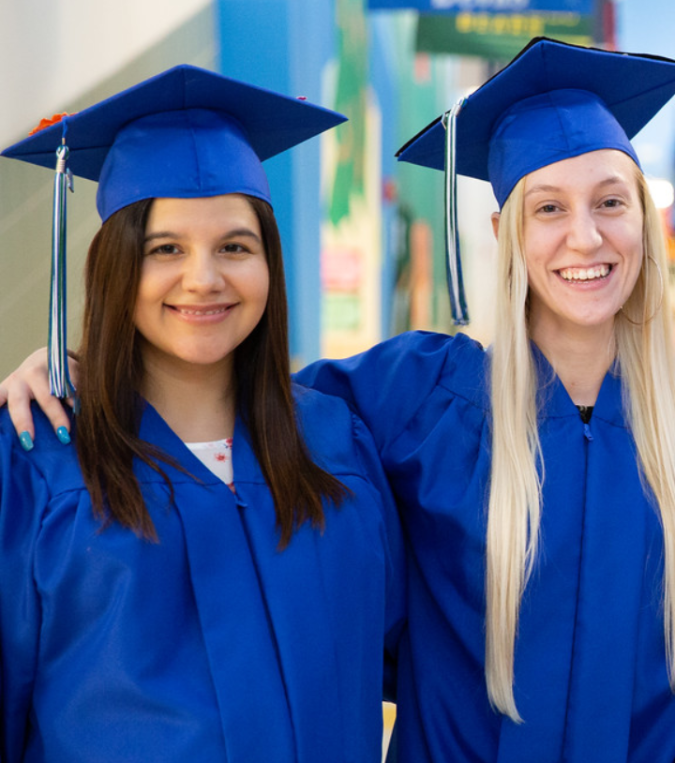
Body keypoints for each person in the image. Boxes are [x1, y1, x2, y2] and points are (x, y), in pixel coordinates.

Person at [0, 38, 675, 761]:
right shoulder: (411, 408)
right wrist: (70, 366)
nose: (584, 238)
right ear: (503, 231)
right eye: (547, 207)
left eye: (611, 203)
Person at [0, 65, 403, 762]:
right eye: (166, 249)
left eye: (234, 247)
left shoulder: (336, 443)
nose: (203, 278)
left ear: (269, 264)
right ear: (116, 265)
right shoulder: (40, 457)